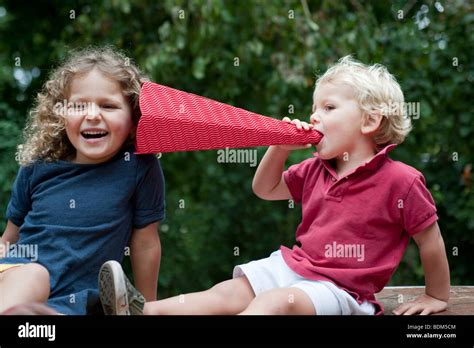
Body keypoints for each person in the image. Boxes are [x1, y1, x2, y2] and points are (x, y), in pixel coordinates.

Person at [100, 56, 450, 315]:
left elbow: (430, 240)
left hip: (343, 291)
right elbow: (265, 189)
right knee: (231, 292)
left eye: (328, 107)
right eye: (314, 108)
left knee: (272, 302)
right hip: (296, 267)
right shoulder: (316, 168)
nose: (314, 117)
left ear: (371, 121)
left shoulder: (401, 181)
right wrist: (279, 147)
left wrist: (437, 296)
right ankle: (144, 311)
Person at [0, 46, 165, 315]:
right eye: (78, 105)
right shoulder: (39, 166)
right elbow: (9, 238)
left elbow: (146, 242)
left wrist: (151, 308)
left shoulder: (139, 166)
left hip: (76, 303)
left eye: (108, 105)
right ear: (61, 114)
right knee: (35, 277)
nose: (91, 115)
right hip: (15, 277)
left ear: (134, 118)